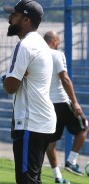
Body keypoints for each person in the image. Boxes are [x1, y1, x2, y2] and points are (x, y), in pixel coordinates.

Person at [2, 1, 57, 183]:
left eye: (14, 15)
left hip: (30, 123)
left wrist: (6, 77)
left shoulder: (24, 46)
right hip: (41, 122)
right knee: (33, 179)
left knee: (27, 181)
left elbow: (11, 87)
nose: (10, 18)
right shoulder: (40, 43)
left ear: (26, 19)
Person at [44, 30, 88, 183]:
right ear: (55, 41)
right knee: (84, 127)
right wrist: (75, 102)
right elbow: (65, 79)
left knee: (51, 142)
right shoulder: (57, 54)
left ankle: (58, 177)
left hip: (46, 105)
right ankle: (71, 161)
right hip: (61, 102)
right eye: (59, 42)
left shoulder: (37, 55)